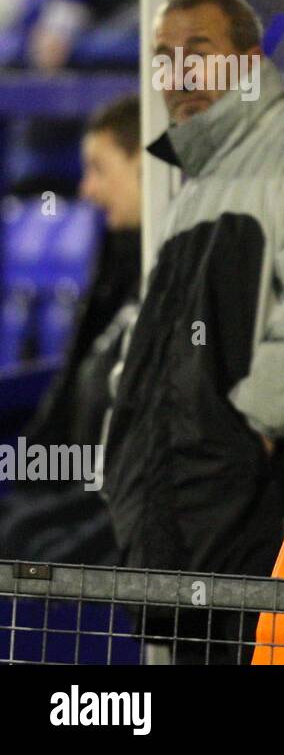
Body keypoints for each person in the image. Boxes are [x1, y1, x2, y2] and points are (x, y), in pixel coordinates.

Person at [102, 0, 284, 590]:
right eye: (163, 57)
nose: (179, 72)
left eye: (198, 50)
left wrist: (248, 432)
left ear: (249, 62)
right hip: (174, 484)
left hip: (251, 489)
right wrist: (131, 438)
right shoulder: (196, 184)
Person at [0, 95, 142, 566]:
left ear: (142, 162)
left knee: (22, 540)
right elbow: (60, 416)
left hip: (115, 510)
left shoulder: (174, 276)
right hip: (76, 491)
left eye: (100, 169)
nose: (87, 191)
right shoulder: (117, 266)